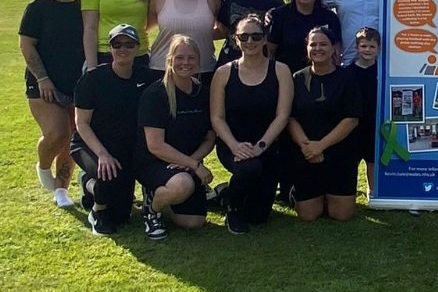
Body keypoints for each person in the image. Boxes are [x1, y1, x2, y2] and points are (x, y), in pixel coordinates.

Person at [210, 14, 294, 234]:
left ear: (265, 38)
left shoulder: (281, 71)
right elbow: (217, 118)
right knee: (249, 168)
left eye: (256, 36)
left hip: (267, 147)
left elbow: (282, 116)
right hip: (233, 146)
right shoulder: (224, 73)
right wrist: (235, 146)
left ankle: (226, 192)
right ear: (236, 39)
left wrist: (261, 146)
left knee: (258, 216)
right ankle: (232, 210)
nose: (250, 42)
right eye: (244, 36)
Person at [71, 24, 150, 234]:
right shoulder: (92, 79)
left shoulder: (145, 77)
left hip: (123, 146)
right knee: (106, 175)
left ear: (137, 48)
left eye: (129, 44)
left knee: (122, 215)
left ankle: (89, 183)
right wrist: (102, 154)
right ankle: (98, 211)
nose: (122, 49)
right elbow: (82, 124)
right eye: (117, 44)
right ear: (110, 48)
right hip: (89, 143)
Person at [135, 36, 215, 239]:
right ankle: (152, 208)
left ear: (198, 61)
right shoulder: (155, 95)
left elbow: (209, 137)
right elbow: (155, 146)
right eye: (179, 57)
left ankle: (165, 199)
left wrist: (193, 161)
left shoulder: (203, 93)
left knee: (194, 222)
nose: (185, 63)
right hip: (155, 163)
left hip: (186, 164)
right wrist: (194, 166)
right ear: (169, 60)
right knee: (182, 185)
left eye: (190, 58)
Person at [19, 0, 83, 207]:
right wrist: (43, 79)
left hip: (76, 83)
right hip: (43, 84)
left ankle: (61, 190)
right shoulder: (38, 7)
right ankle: (43, 165)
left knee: (73, 138)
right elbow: (27, 46)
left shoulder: (86, 7)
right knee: (58, 133)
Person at [286, 26, 362, 222]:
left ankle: (332, 194)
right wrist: (307, 147)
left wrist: (321, 146)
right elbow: (291, 117)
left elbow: (351, 119)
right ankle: (299, 192)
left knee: (341, 215)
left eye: (323, 44)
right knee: (308, 215)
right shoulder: (297, 78)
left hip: (339, 151)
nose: (318, 48)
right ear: (307, 48)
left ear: (334, 48)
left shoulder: (347, 78)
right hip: (306, 151)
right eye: (313, 44)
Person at [148, 0, 220, 82]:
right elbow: (145, 28)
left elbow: (224, 31)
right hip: (162, 69)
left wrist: (201, 33)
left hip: (203, 70)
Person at [266, 0, 342, 75]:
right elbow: (270, 51)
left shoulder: (329, 17)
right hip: (286, 76)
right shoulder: (279, 15)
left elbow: (336, 52)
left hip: (321, 76)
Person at [352, 26, 381, 196]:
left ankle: (373, 191)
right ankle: (349, 190)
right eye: (363, 46)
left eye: (371, 46)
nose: (367, 50)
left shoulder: (382, 72)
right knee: (351, 159)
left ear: (378, 49)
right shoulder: (348, 72)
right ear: (356, 47)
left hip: (373, 121)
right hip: (353, 123)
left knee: (372, 159)